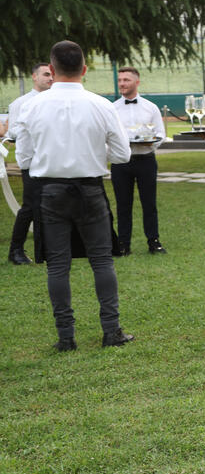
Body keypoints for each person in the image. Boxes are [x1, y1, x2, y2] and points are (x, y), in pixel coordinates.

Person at [13, 41, 134, 351]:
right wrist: (93, 150)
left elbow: (24, 160)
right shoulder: (102, 105)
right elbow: (122, 155)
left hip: (50, 191)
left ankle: (66, 337)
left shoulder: (31, 107)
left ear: (51, 71)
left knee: (57, 265)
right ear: (84, 69)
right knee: (101, 261)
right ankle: (111, 330)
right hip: (90, 189)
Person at [111, 67, 167, 256]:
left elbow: (160, 135)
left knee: (149, 203)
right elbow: (109, 136)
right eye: (120, 80)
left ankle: (154, 241)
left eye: (126, 80)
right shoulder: (113, 109)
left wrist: (147, 145)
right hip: (121, 162)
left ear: (137, 82)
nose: (122, 84)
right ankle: (123, 243)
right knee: (123, 204)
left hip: (146, 160)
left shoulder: (150, 107)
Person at [5, 63, 53, 264]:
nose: (50, 78)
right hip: (32, 162)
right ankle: (16, 250)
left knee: (47, 206)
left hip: (52, 161)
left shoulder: (54, 100)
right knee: (30, 206)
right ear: (34, 76)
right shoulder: (21, 103)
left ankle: (45, 251)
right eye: (46, 74)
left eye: (52, 74)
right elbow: (14, 132)